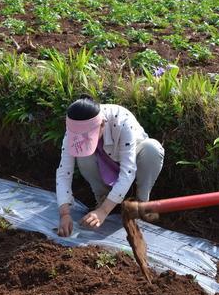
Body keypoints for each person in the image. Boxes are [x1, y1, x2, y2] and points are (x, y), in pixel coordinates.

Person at [55, 96, 164, 238]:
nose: (84, 139)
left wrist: (103, 212)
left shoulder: (122, 120)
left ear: (102, 124)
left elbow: (128, 171)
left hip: (133, 160)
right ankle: (102, 198)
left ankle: (141, 205)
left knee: (152, 148)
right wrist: (64, 214)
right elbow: (64, 172)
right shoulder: (74, 129)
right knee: (83, 155)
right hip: (103, 162)